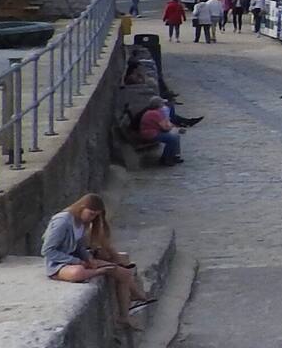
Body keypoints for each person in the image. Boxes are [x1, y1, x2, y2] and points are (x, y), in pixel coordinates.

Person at [44, 194, 154, 329]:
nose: (92, 218)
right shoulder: (62, 221)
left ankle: (124, 316)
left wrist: (87, 259)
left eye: (95, 215)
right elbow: (48, 251)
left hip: (76, 260)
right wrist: (75, 261)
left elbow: (78, 245)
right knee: (78, 272)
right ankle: (101, 272)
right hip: (58, 264)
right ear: (82, 208)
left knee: (123, 274)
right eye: (91, 214)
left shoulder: (81, 222)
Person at [140, 96, 184, 165]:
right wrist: (174, 128)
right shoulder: (155, 113)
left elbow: (165, 123)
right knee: (172, 138)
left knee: (175, 136)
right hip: (151, 133)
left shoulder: (155, 112)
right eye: (162, 103)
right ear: (159, 105)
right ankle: (165, 158)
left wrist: (173, 128)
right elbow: (165, 127)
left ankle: (174, 156)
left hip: (154, 131)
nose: (163, 105)